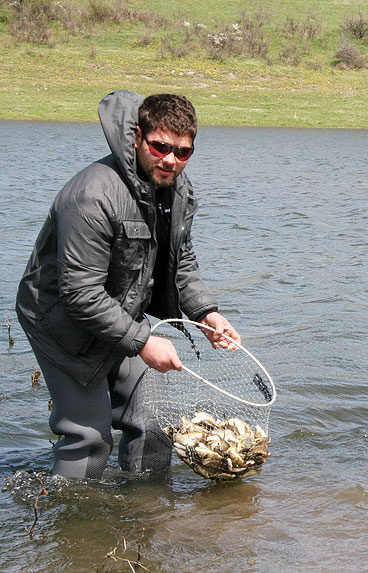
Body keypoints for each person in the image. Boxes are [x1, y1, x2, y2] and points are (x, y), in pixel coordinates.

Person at [16, 90, 240, 479]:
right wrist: (143, 342)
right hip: (60, 326)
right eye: (160, 146)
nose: (171, 160)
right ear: (137, 136)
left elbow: (180, 261)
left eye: (183, 151)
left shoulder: (175, 190)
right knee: (89, 439)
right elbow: (80, 295)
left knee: (152, 428)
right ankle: (75, 528)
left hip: (122, 315)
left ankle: (144, 524)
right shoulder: (91, 195)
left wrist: (208, 313)